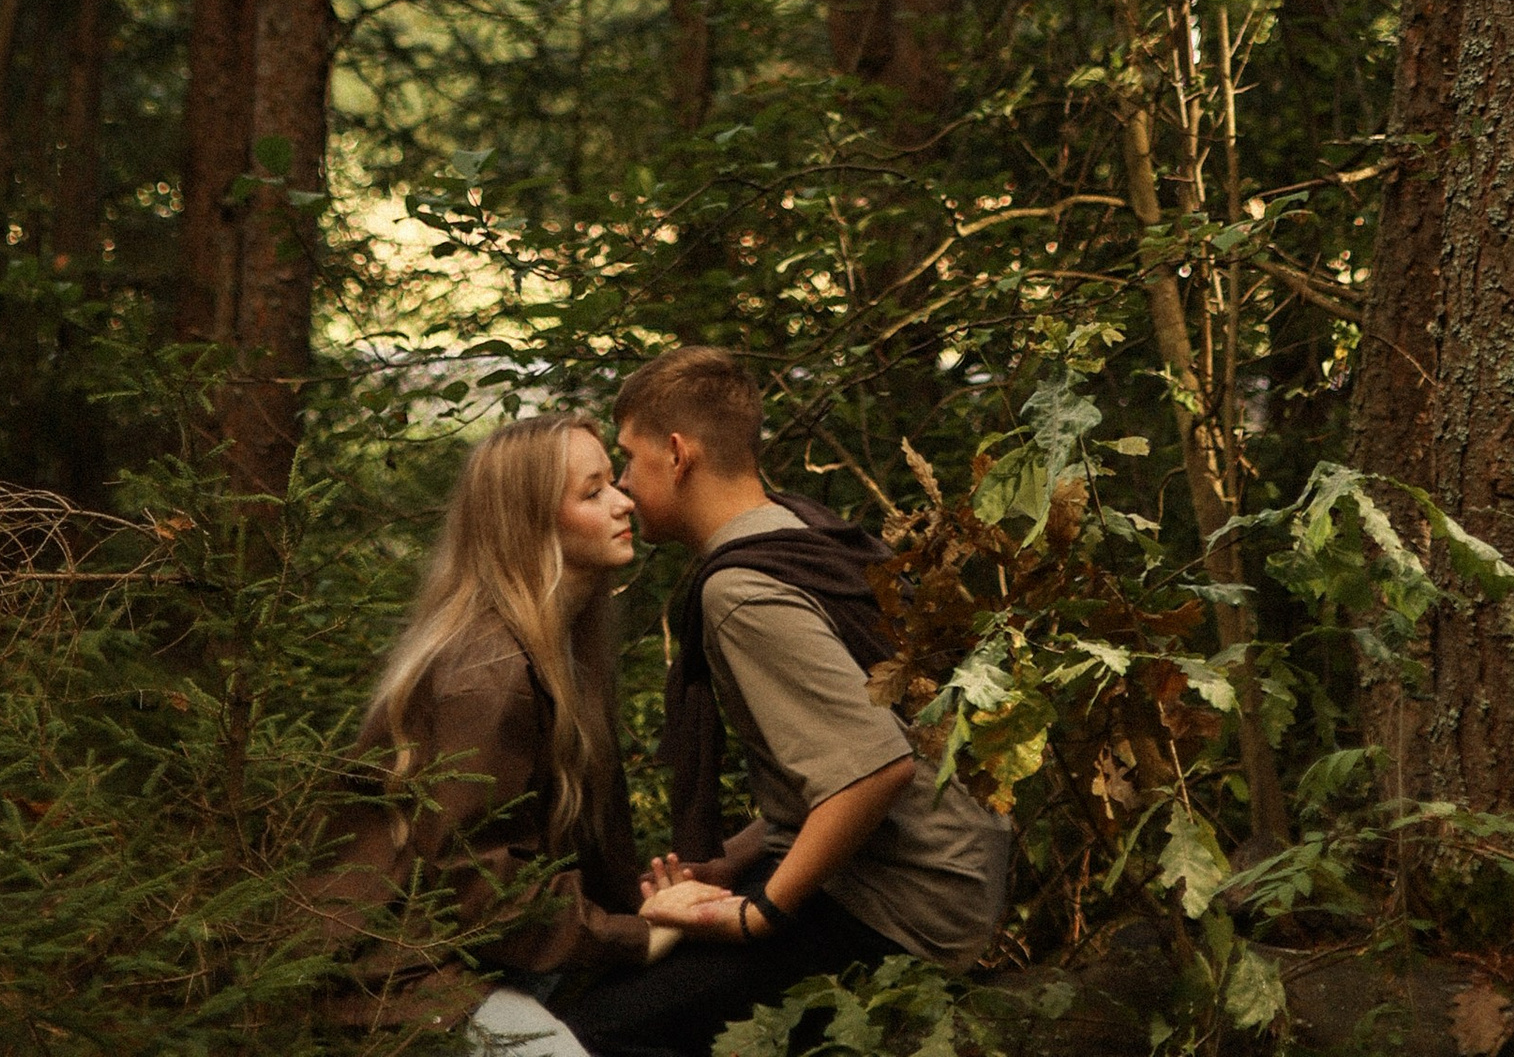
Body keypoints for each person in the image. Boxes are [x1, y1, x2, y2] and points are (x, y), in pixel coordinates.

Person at [566, 347, 1009, 1057]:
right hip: (946, 873)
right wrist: (734, 863)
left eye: (628, 459)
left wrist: (760, 912)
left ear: (677, 454)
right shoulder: (798, 527)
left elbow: (873, 769)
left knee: (598, 1034)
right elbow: (848, 751)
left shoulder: (742, 591)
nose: (622, 485)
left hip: (901, 909)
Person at [310, 413, 679, 1049]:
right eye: (591, 493)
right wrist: (641, 937)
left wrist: (649, 907)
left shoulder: (563, 654)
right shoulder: (488, 671)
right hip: (393, 973)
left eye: (612, 483)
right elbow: (471, 882)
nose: (624, 502)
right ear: (530, 524)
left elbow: (586, 848)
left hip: (476, 954)